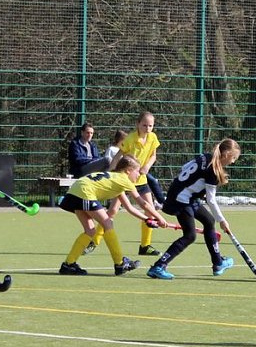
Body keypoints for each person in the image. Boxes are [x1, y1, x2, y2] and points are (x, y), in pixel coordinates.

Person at [58, 155, 168, 276]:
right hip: (84, 192)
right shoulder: (124, 180)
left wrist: (147, 219)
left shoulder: (115, 179)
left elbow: (129, 208)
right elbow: (143, 203)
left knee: (90, 231)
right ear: (128, 170)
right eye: (137, 171)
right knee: (107, 223)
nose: (139, 174)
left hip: (75, 191)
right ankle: (120, 263)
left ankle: (68, 264)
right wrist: (160, 218)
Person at [147, 139, 240, 280]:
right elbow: (211, 200)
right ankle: (159, 266)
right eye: (233, 158)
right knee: (190, 236)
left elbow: (185, 167)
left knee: (209, 221)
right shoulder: (213, 170)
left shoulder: (205, 156)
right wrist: (222, 220)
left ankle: (218, 263)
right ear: (226, 154)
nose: (233, 162)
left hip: (183, 195)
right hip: (181, 200)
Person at [108, 112, 163, 256]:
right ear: (138, 124)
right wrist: (111, 172)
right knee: (113, 210)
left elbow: (153, 155)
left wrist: (146, 167)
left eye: (150, 125)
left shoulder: (153, 137)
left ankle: (145, 246)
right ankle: (94, 240)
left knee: (149, 210)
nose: (147, 128)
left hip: (141, 180)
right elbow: (119, 155)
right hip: (125, 180)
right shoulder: (131, 139)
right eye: (144, 125)